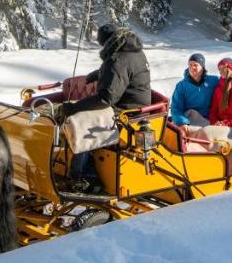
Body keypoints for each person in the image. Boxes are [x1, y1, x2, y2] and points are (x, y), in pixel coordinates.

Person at [55, 22, 151, 187]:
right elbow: (123, 73)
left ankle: (81, 175)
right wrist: (99, 73)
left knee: (82, 121)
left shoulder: (117, 59)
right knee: (81, 111)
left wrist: (74, 108)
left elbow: (106, 98)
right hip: (134, 103)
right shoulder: (132, 50)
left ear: (107, 43)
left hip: (127, 111)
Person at [170, 52, 219, 127]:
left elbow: (228, 80)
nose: (192, 68)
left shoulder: (212, 81)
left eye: (195, 65)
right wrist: (182, 122)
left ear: (202, 67)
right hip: (188, 120)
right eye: (190, 65)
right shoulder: (182, 86)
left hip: (208, 119)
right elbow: (176, 108)